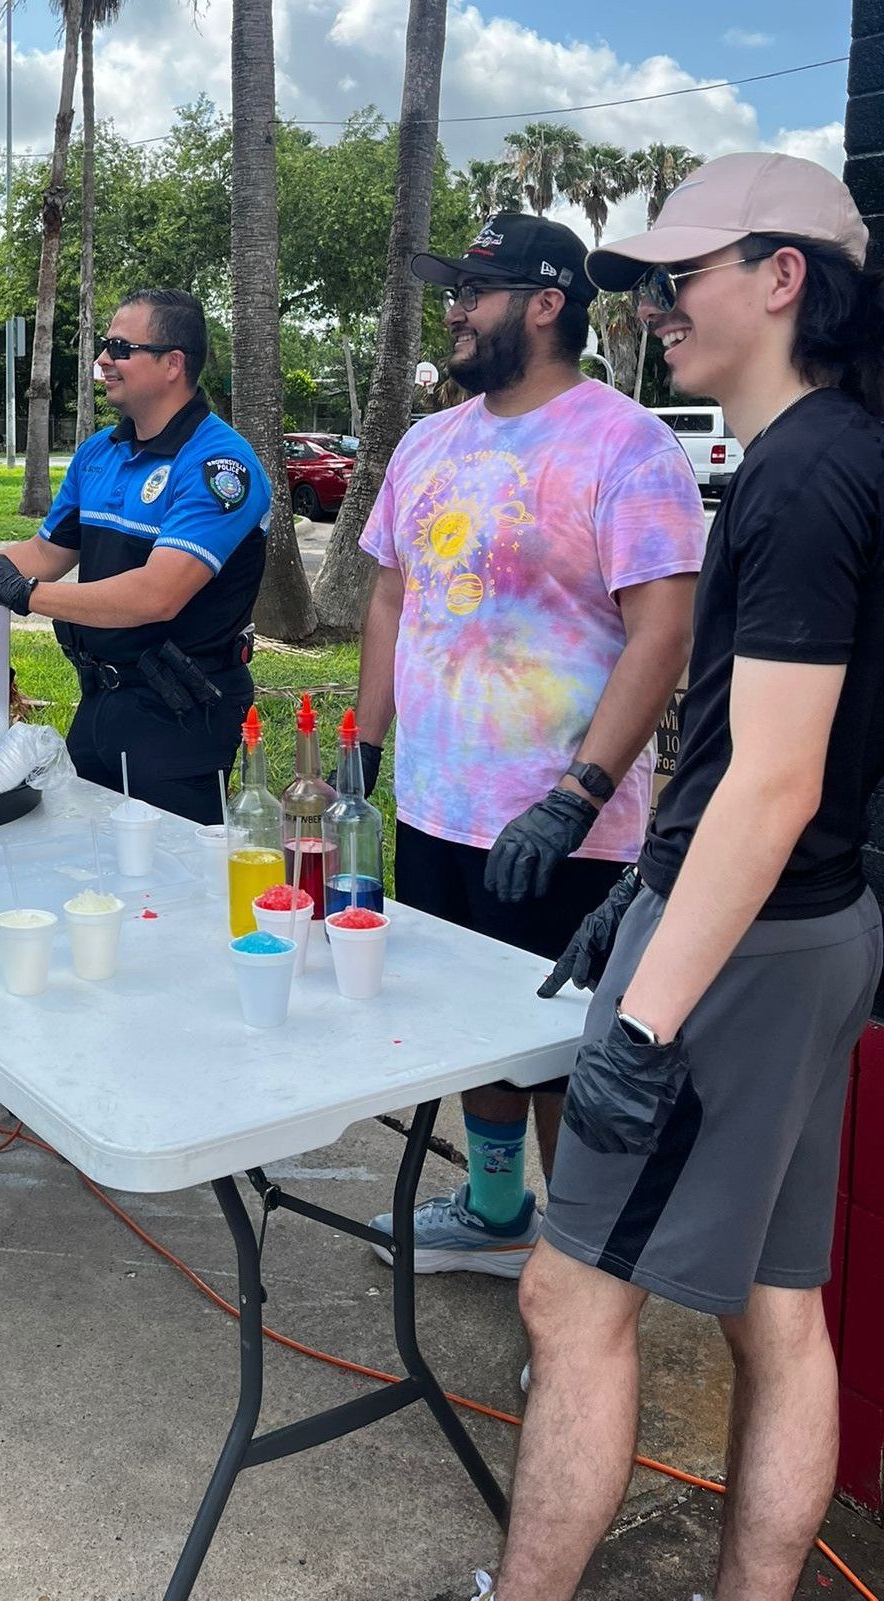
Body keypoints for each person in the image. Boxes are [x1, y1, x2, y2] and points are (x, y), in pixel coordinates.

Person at [484, 153, 884, 1601]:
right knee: (779, 1311)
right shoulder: (827, 454)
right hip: (814, 929)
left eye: (683, 274)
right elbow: (765, 760)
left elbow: (774, 780)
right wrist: (640, 871)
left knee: (567, 1295)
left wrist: (648, 1015)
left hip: (745, 950)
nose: (656, 304)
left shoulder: (798, 476)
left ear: (784, 279)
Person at [356, 214, 706, 1276]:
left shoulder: (625, 443)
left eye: (477, 289)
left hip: (565, 828)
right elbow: (386, 597)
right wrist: (364, 755)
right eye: (453, 288)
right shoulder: (429, 442)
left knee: (566, 1056)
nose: (454, 309)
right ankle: (499, 1209)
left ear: (546, 304)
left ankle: (579, 1274)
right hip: (434, 807)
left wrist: (578, 793)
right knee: (473, 1029)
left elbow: (664, 630)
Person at [0, 288, 269, 824]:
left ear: (172, 363)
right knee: (89, 868)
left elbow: (158, 595)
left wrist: (32, 597)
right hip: (100, 700)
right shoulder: (98, 453)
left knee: (172, 888)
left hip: (180, 715)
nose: (102, 361)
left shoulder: (219, 464)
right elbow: (47, 550)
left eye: (119, 347)